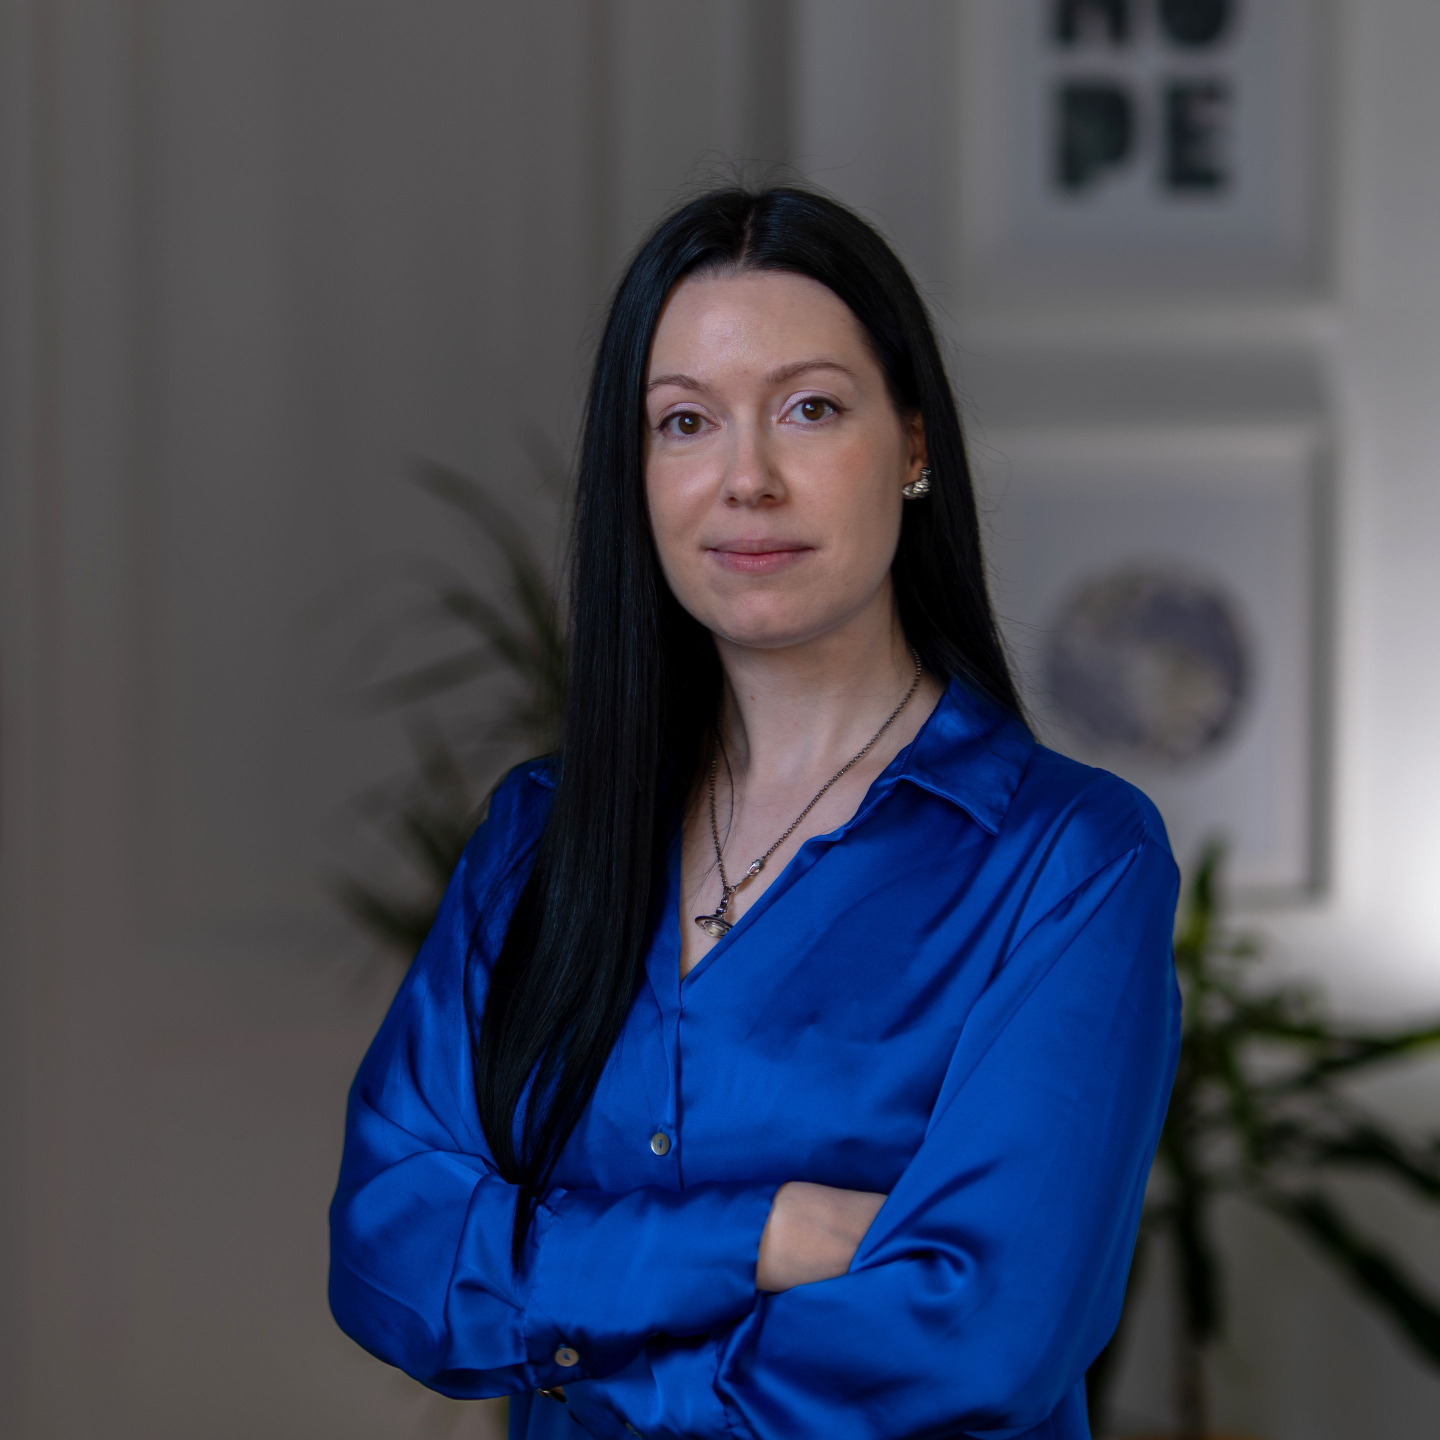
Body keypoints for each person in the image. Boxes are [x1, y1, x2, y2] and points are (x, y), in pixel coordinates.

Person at [328, 186, 1182, 1440]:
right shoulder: (537, 839)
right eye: (685, 422)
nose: (747, 479)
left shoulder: (1070, 860)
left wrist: (560, 1337)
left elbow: (978, 1338)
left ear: (914, 445)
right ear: (639, 474)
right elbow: (390, 1252)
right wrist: (768, 1234)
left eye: (809, 409)